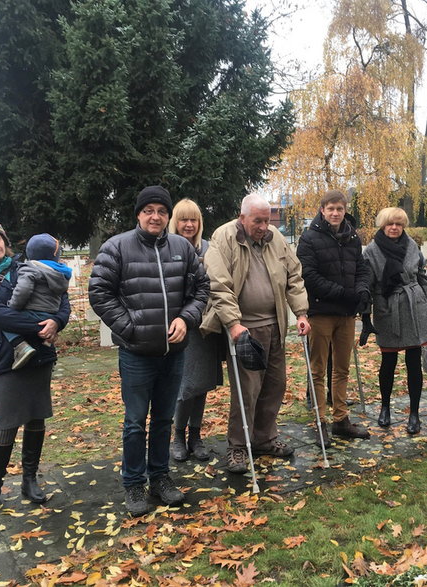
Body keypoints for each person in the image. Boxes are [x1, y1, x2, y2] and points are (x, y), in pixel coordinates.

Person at [88, 186, 210, 516]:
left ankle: (160, 477)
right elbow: (100, 293)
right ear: (138, 214)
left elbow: (201, 289)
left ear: (167, 216)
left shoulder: (182, 248)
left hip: (174, 352)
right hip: (137, 354)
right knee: (134, 421)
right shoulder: (117, 248)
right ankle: (133, 483)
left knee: (163, 419)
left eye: (161, 211)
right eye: (149, 210)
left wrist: (187, 318)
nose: (155, 216)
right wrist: (130, 328)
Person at [0, 214, 71, 515]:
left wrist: (57, 321)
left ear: (5, 241)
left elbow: (62, 298)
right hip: (3, 354)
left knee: (36, 417)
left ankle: (29, 479)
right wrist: (41, 324)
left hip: (39, 352)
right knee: (7, 421)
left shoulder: (26, 265)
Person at [201, 193, 310, 474]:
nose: (263, 227)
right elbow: (219, 284)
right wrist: (234, 324)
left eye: (267, 220)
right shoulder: (224, 237)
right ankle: (238, 446)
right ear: (242, 218)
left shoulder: (276, 239)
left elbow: (294, 277)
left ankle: (264, 438)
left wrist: (300, 313)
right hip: (243, 329)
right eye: (257, 221)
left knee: (275, 385)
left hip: (275, 325)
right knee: (246, 390)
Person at [359, 207, 427, 435]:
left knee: (414, 362)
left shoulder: (412, 246)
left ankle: (414, 413)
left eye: (398, 224)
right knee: (388, 362)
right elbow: (366, 284)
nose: (394, 228)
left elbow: (421, 277)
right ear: (382, 225)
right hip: (387, 308)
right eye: (390, 224)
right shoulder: (372, 251)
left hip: (414, 307)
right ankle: (385, 407)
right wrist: (366, 317)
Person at [296, 189, 370, 445]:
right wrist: (344, 293)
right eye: (331, 209)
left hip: (346, 314)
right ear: (323, 210)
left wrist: (361, 291)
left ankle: (341, 419)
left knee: (341, 369)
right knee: (318, 371)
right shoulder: (309, 238)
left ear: (344, 210)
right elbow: (309, 276)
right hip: (321, 312)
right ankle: (320, 421)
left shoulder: (352, 237)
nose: (336, 213)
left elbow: (361, 268)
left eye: (340, 209)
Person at [168, 199, 223, 462]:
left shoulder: (210, 249)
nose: (189, 225)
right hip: (181, 325)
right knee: (184, 384)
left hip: (207, 326)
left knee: (201, 384)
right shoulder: (167, 248)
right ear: (175, 222)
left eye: (194, 220)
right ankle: (177, 435)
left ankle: (195, 435)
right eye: (183, 219)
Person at [5, 233, 72, 370]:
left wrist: (12, 306)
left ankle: (20, 346)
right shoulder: (60, 272)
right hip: (51, 316)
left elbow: (23, 289)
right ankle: (47, 341)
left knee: (1, 321)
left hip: (33, 312)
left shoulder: (30, 268)